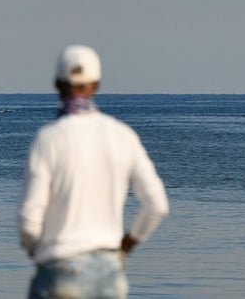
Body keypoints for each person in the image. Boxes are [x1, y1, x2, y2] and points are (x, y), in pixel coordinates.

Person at [18, 45, 169, 299]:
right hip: (109, 273)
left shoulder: (48, 139)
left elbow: (29, 218)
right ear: (96, 85)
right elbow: (157, 205)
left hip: (60, 268)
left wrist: (39, 253)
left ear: (56, 83)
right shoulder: (123, 136)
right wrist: (125, 247)